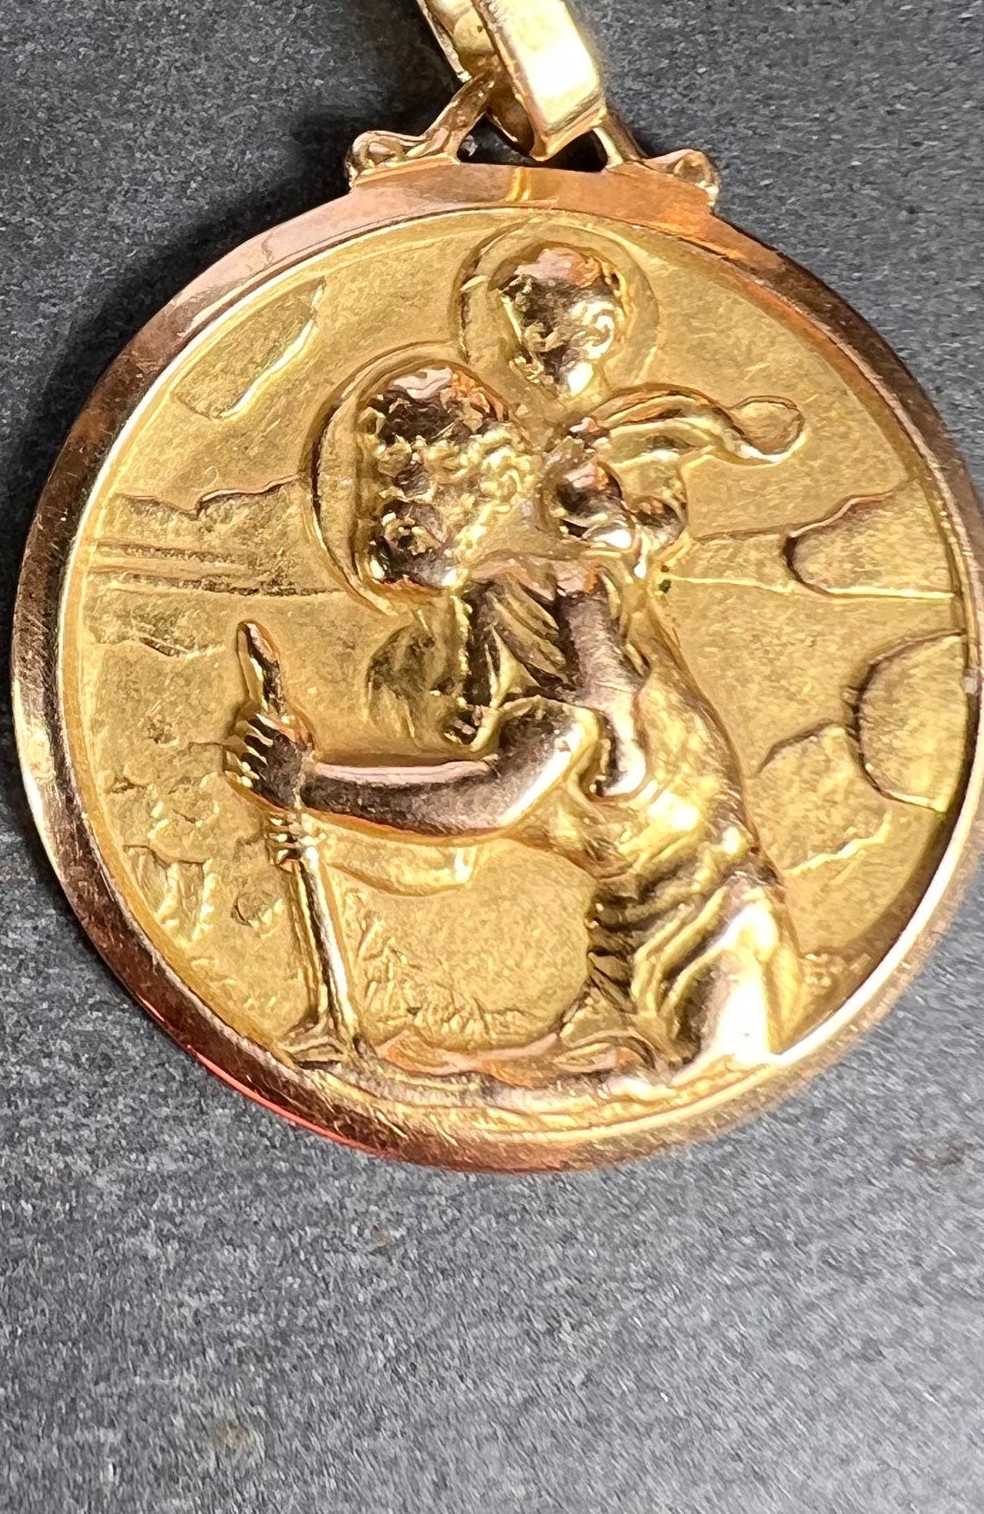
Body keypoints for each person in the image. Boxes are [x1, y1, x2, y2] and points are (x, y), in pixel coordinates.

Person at [230, 347, 802, 1090]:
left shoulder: (552, 597)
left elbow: (496, 800)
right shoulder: (429, 653)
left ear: (494, 492)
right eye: (385, 476)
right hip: (622, 939)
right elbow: (453, 853)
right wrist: (321, 816)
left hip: (711, 931)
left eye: (439, 475)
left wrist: (310, 784)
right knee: (466, 1081)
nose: (405, 503)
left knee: (631, 1084)